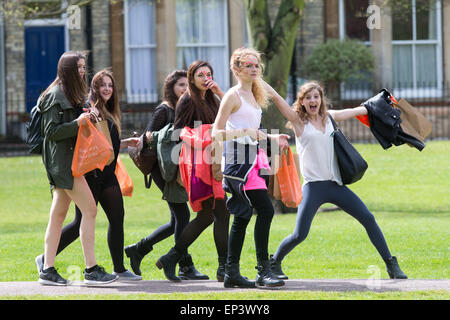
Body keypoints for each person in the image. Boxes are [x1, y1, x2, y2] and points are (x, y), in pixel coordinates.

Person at [265, 80, 407, 280]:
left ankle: (391, 264)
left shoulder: (329, 118)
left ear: (321, 99)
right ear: (302, 102)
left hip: (335, 185)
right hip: (314, 188)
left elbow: (357, 110)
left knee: (368, 218)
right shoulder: (298, 122)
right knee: (300, 234)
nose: (313, 100)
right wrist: (259, 81)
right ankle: (274, 263)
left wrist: (379, 104)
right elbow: (278, 99)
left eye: (316, 96)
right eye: (308, 98)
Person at [36, 69, 142, 281]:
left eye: (110, 85)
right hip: (90, 173)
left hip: (108, 172)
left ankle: (119, 268)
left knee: (117, 216)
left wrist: (124, 143)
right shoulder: (88, 108)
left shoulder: (111, 110)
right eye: (102, 85)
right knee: (79, 221)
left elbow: (103, 145)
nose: (107, 89)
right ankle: (46, 260)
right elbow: (86, 143)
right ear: (94, 88)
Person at [211, 48, 289, 288]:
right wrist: (249, 133)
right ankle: (259, 271)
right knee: (255, 212)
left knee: (250, 214)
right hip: (236, 162)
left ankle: (237, 272)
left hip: (253, 159)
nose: (254, 69)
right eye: (248, 65)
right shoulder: (232, 96)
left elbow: (252, 128)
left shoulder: (254, 95)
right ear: (236, 69)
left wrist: (271, 139)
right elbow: (216, 133)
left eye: (256, 66)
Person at [124, 70, 208, 280]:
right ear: (171, 88)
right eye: (181, 85)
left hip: (179, 168)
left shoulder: (187, 107)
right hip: (163, 170)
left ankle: (139, 249)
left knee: (176, 220)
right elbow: (148, 137)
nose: (185, 90)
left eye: (187, 86)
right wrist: (175, 133)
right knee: (183, 216)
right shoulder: (164, 110)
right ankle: (185, 265)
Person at [155, 60, 230, 282]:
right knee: (217, 213)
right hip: (197, 163)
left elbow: (232, 115)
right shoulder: (187, 99)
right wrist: (201, 134)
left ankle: (172, 258)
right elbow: (177, 131)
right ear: (191, 78)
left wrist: (218, 91)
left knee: (211, 215)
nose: (205, 78)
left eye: (209, 74)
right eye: (200, 75)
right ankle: (223, 267)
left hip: (213, 160)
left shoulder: (212, 98)